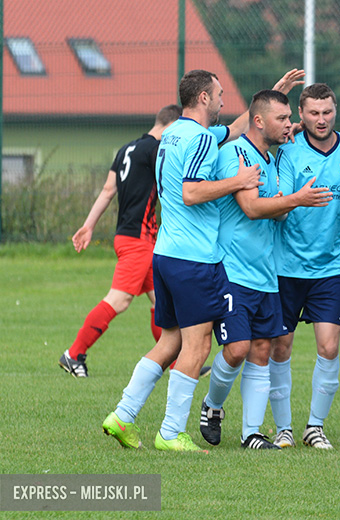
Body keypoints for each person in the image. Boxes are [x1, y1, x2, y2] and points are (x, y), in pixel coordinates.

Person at [102, 69, 262, 452]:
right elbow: (191, 193)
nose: (224, 101)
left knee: (170, 343)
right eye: (220, 94)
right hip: (194, 260)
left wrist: (269, 95)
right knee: (197, 347)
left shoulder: (173, 133)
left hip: (165, 255)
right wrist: (238, 182)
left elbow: (236, 129)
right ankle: (171, 432)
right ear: (204, 98)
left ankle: (122, 416)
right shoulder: (202, 141)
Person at [198, 89, 333, 451]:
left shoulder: (273, 162)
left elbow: (280, 211)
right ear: (259, 121)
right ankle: (212, 405)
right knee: (238, 348)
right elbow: (252, 208)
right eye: (283, 119)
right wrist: (296, 199)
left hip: (266, 273)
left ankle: (252, 433)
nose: (290, 125)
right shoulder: (235, 154)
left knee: (261, 349)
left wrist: (288, 201)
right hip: (233, 271)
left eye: (290, 118)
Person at [267, 83, 340, 449]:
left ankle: (315, 427)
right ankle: (284, 430)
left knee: (329, 347)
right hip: (286, 266)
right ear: (301, 114)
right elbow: (275, 207)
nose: (321, 119)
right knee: (281, 346)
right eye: (313, 113)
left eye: (327, 112)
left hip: (329, 268)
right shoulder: (288, 149)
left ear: (335, 110)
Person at [59, 104, 181, 378]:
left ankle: (178, 366)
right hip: (138, 239)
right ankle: (74, 353)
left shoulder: (126, 149)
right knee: (120, 299)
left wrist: (88, 226)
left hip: (131, 237)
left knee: (159, 301)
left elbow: (107, 190)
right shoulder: (155, 151)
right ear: (171, 127)